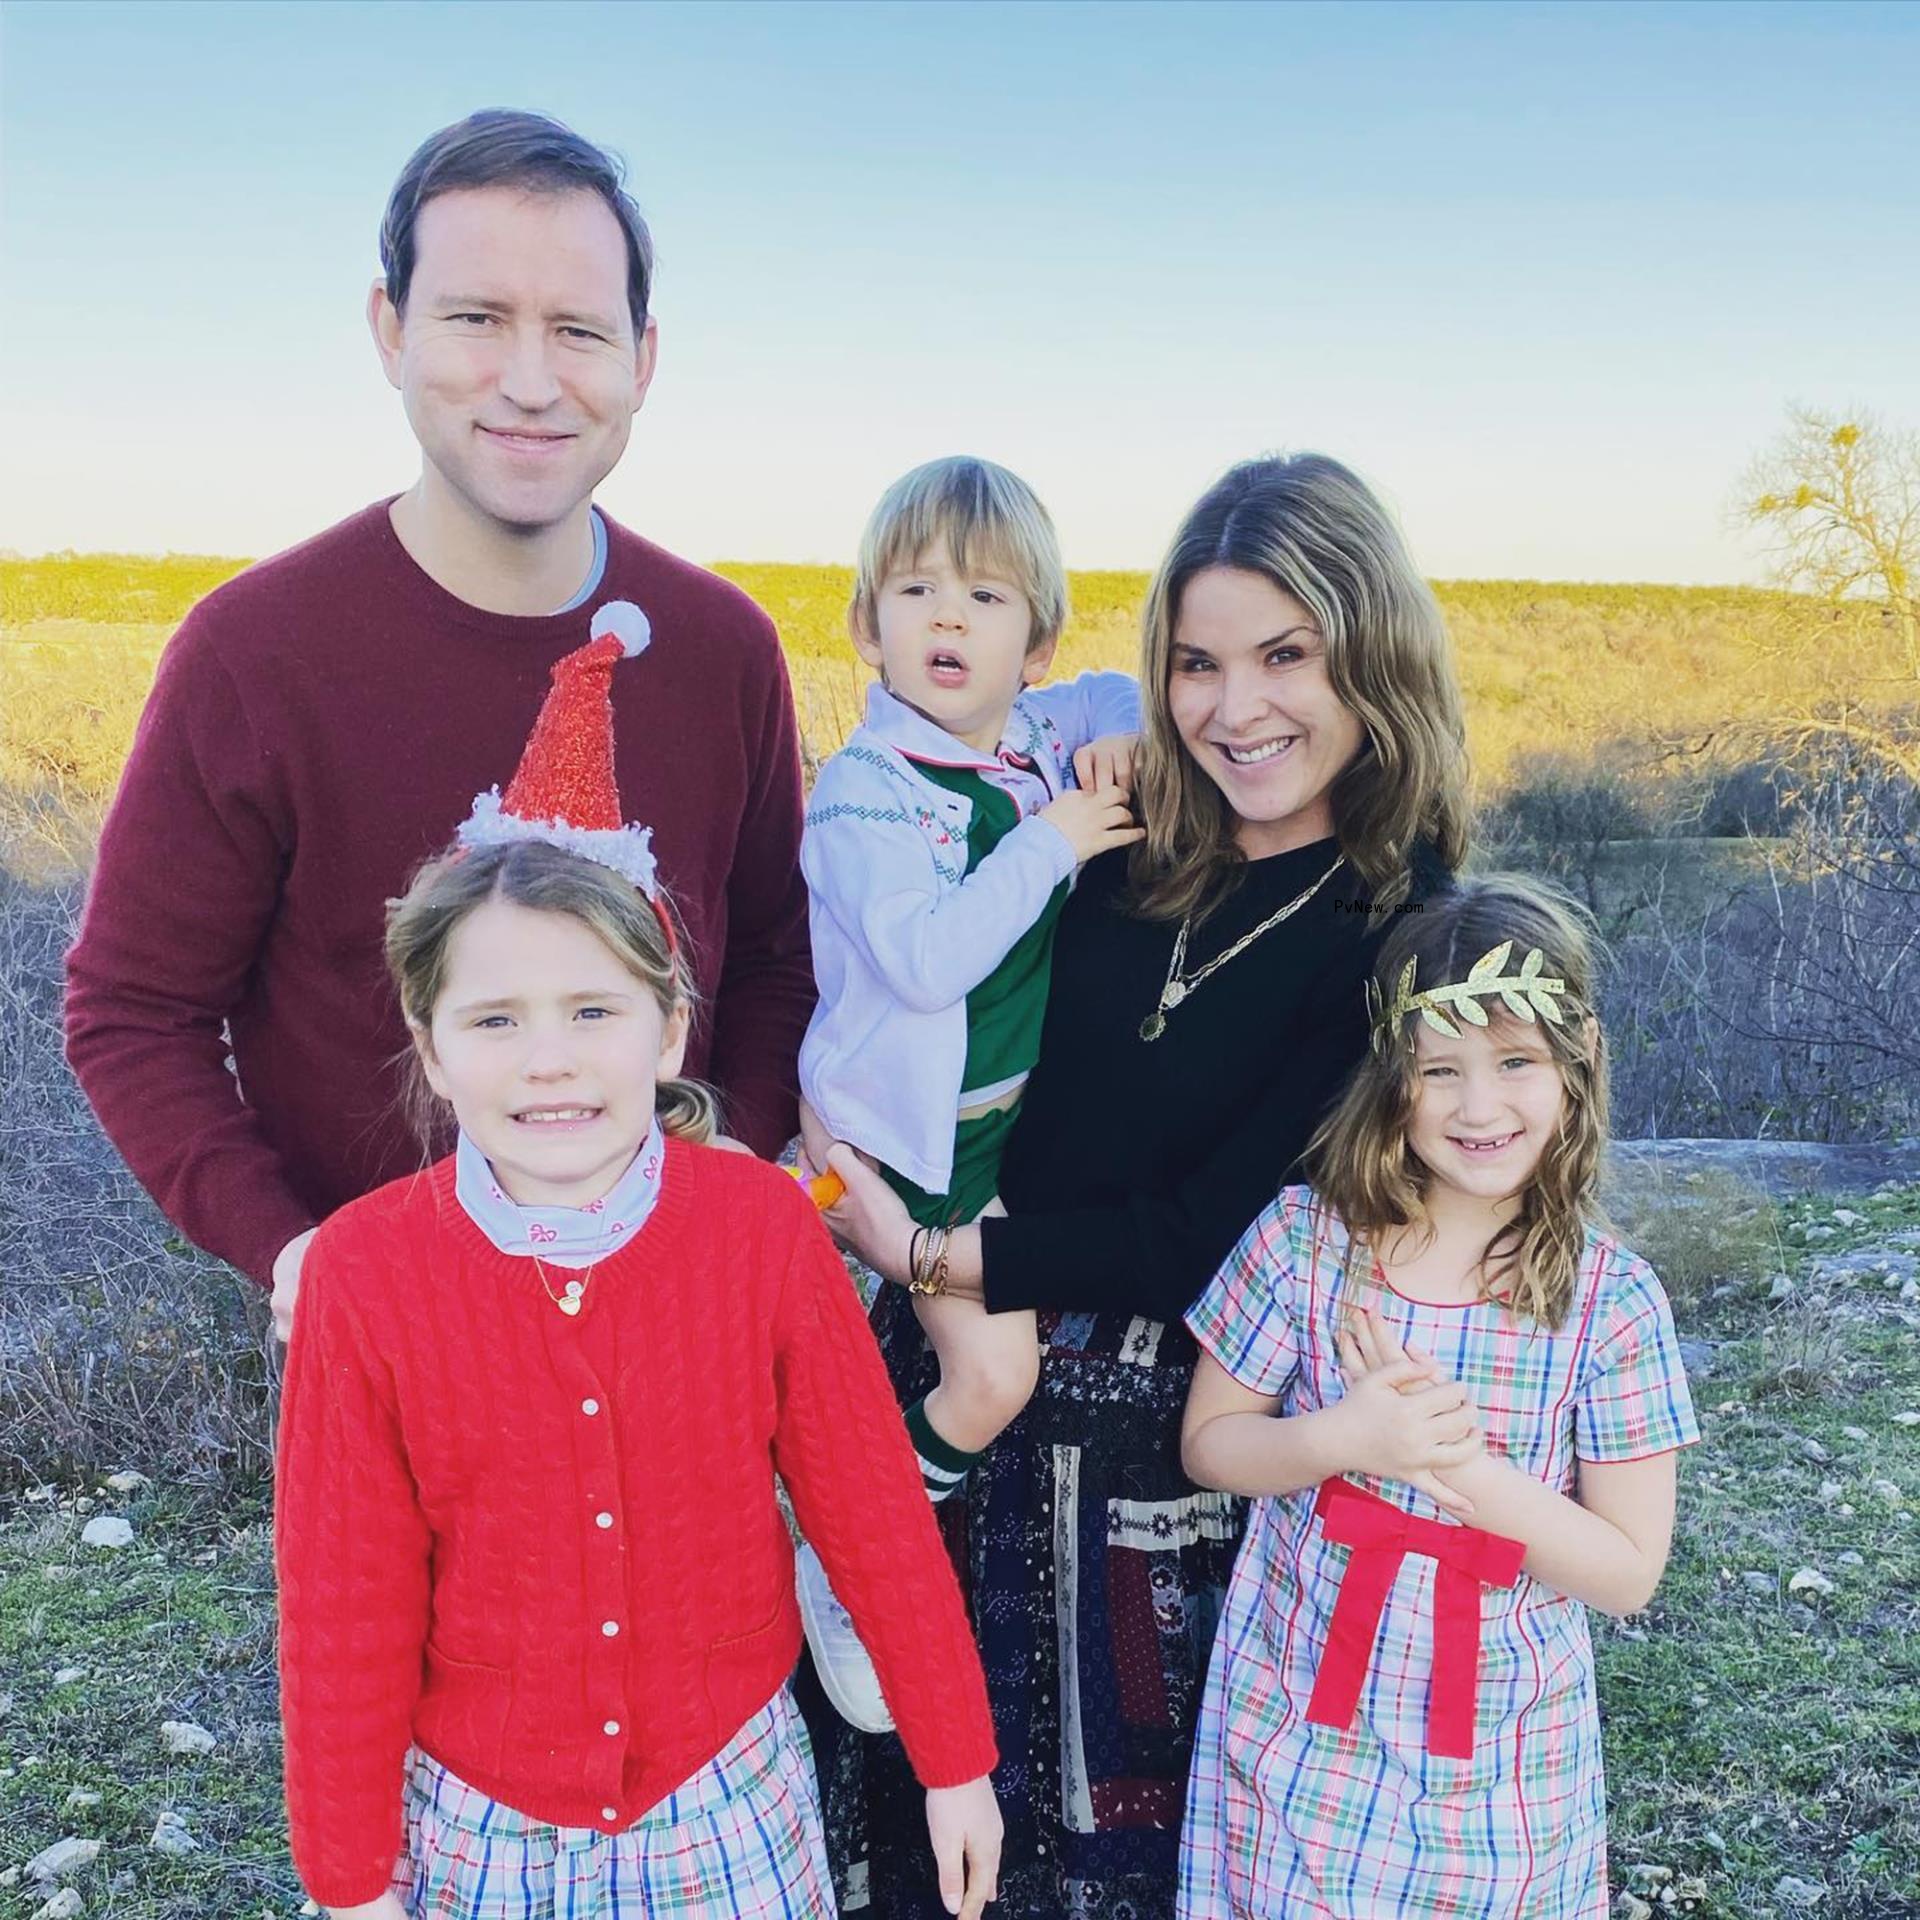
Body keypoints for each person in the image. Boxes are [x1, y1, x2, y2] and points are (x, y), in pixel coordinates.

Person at [811, 453, 1473, 1917]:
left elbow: (1200, 1241)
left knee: (1115, 1857)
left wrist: (930, 1254)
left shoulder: (1398, 930)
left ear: (1374, 655)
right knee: (907, 1824)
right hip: (946, 1379)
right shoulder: (1109, 831)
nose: (1237, 710)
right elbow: (922, 991)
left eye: (1286, 656)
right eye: (1195, 663)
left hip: (1155, 1465)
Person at [274, 610, 1001, 1920]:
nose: (548, 1060)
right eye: (495, 1019)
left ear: (670, 1028)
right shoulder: (366, 1276)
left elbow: (870, 1511)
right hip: (476, 1827)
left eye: (593, 1011)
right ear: (430, 1049)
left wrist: (956, 1760)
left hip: (727, 1801)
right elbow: (343, 1606)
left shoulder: (760, 1230)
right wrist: (349, 1881)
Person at [64, 109, 812, 1341]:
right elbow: (131, 1008)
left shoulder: (723, 646)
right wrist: (298, 1253)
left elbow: (780, 957)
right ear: (392, 331)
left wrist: (730, 1161)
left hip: (680, 1332)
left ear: (644, 357)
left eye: (578, 329)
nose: (530, 380)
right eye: (476, 319)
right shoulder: (258, 653)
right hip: (395, 1355)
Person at [1178, 875, 1700, 1919]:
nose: (1478, 1105)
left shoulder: (1611, 1303)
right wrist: (1344, 1438)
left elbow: (1627, 1571)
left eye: (1516, 1063)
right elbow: (1210, 1444)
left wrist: (1451, 1467)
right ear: (1392, 1079)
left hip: (1503, 1765)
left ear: (1577, 1057)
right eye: (1439, 1069)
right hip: (1296, 1741)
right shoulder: (1304, 1240)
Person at [793, 455, 1142, 1732]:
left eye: (988, 597)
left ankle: (835, 1515)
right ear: (866, 625)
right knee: (992, 1378)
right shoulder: (864, 793)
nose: (950, 618)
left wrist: (1128, 728)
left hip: (999, 1133)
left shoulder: (1046, 730)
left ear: (1035, 644)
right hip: (898, 1139)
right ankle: (850, 1558)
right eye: (918, 587)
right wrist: (1054, 843)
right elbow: (925, 960)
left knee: (984, 1363)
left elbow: (1149, 691)